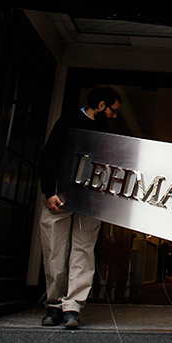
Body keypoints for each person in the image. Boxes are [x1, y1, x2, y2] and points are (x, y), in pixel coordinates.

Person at [38, 86, 122, 329]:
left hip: (89, 201)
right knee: (55, 249)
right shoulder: (67, 123)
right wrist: (49, 192)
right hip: (59, 198)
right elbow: (49, 157)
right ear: (101, 105)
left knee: (83, 251)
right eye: (113, 111)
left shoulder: (106, 132)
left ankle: (72, 307)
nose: (115, 116)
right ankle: (54, 305)